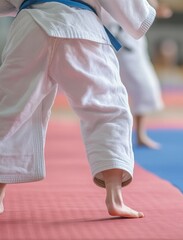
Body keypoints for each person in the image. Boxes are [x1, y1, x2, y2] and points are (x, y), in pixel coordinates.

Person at [0, 0, 156, 218]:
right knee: (107, 109)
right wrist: (143, 15)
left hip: (30, 24)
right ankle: (115, 198)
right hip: (81, 26)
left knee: (10, 108)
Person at [103, 0, 171, 149]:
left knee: (142, 85)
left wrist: (156, 7)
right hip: (106, 32)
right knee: (105, 89)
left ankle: (140, 134)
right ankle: (110, 136)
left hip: (128, 37)